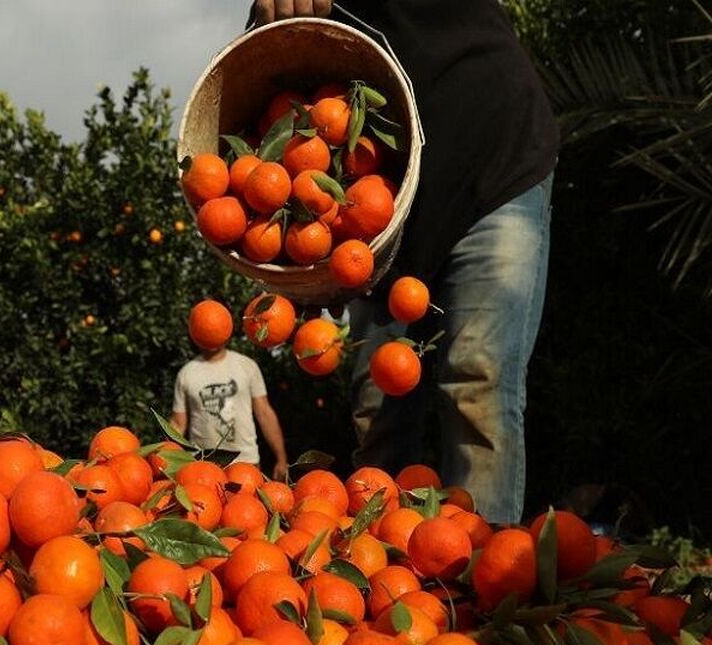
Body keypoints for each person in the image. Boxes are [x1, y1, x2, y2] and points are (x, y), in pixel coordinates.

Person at [251, 0, 558, 524]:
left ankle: (478, 576)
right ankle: (384, 578)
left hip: (492, 155)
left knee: (477, 381)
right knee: (379, 414)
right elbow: (279, 71)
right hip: (377, 207)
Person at [170, 345, 290, 481]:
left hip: (246, 463)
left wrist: (281, 458)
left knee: (247, 503)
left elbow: (264, 413)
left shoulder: (246, 365)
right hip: (202, 468)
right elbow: (178, 424)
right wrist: (165, 461)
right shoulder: (187, 373)